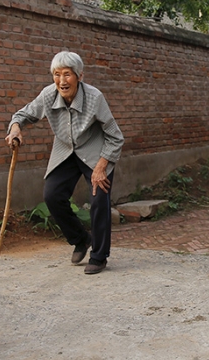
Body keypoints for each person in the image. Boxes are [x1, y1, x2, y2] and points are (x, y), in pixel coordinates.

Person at [6, 51, 124, 275]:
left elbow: (115, 136)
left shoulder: (95, 98)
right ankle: (81, 239)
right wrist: (15, 128)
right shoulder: (48, 95)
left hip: (96, 153)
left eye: (67, 74)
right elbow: (23, 114)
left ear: (79, 75)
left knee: (99, 199)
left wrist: (101, 167)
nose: (61, 80)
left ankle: (99, 257)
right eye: (57, 74)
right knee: (52, 195)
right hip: (66, 151)